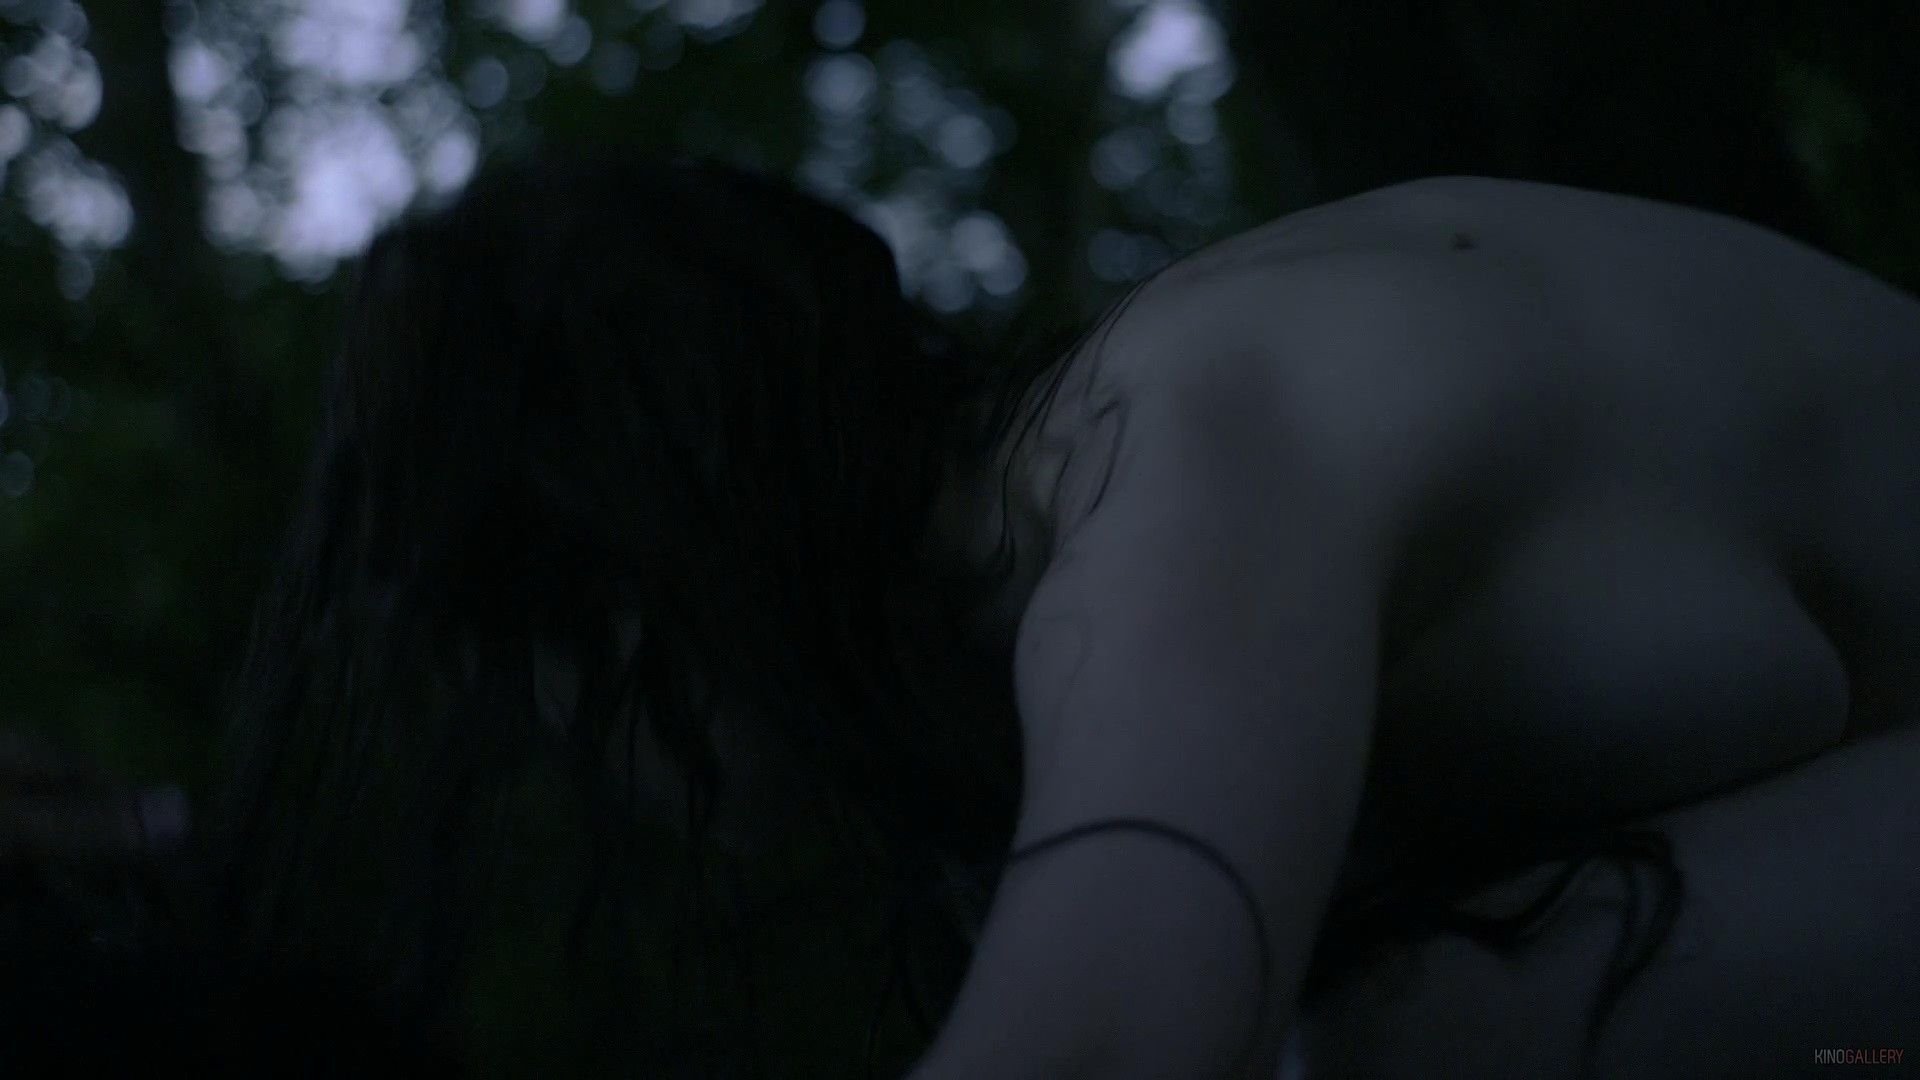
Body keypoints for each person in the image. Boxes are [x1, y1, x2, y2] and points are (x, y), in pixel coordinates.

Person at [16, 155, 1916, 1077]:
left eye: (562, 668)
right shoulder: (1135, 503)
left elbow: (1100, 1059)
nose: (602, 755)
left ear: (649, 591)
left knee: (1373, 1045)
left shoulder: (1179, 451)